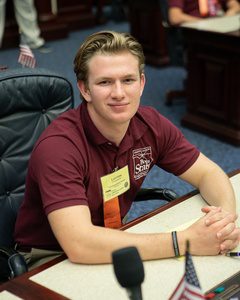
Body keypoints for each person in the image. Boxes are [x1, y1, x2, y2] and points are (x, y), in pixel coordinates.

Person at [14, 30, 240, 268]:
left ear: (142, 83)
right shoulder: (59, 147)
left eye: (128, 80)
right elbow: (79, 244)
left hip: (114, 234)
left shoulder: (149, 124)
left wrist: (224, 222)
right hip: (51, 258)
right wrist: (184, 242)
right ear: (85, 89)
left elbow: (209, 173)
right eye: (105, 82)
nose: (119, 93)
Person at [168, 0, 240, 25]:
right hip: (198, 32)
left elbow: (236, 5)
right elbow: (175, 17)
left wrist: (228, 16)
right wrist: (204, 23)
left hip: (220, 25)